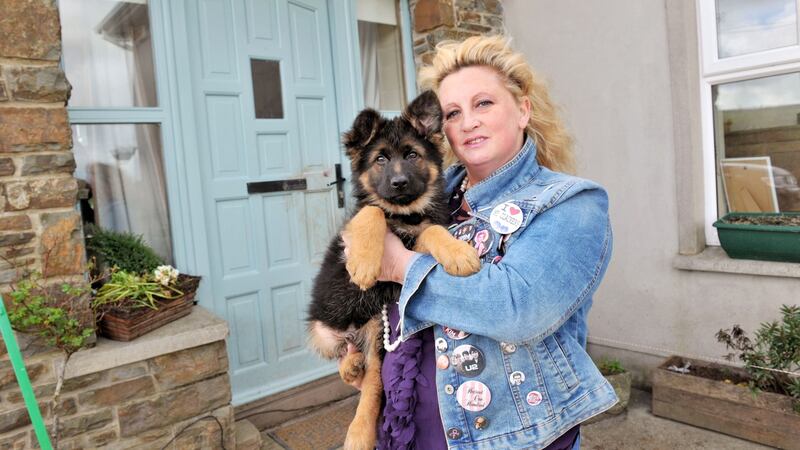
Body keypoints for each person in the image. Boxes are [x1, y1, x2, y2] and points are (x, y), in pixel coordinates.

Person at [343, 35, 617, 450]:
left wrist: (401, 266)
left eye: (483, 103)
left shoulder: (572, 203)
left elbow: (517, 309)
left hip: (511, 439)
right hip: (405, 425)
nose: (468, 122)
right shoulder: (429, 194)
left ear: (523, 110)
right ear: (440, 130)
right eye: (453, 112)